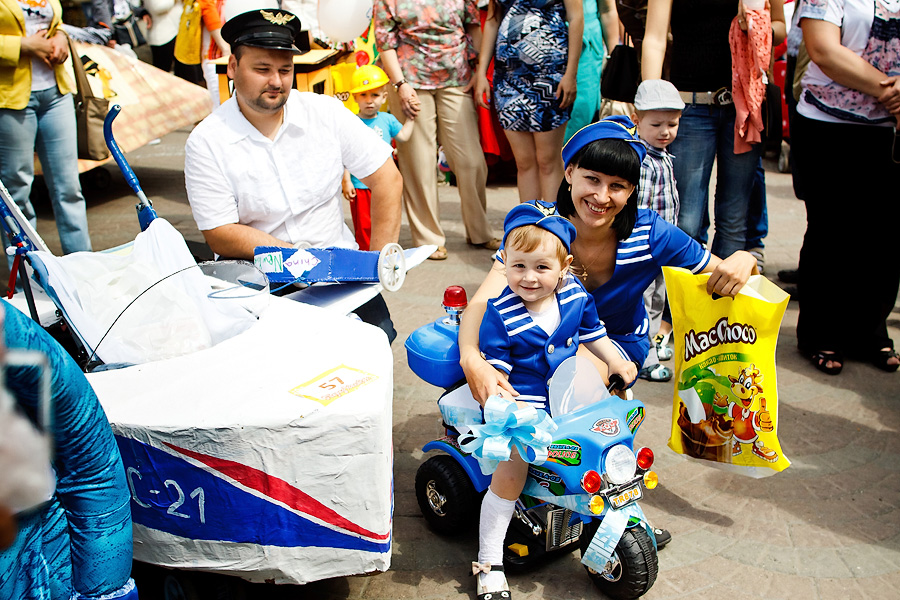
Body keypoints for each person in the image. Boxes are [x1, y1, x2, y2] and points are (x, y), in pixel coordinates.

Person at [458, 117, 758, 556]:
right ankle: (561, 498)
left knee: (582, 390)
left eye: (617, 185)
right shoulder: (541, 227)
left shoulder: (649, 230)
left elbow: (720, 267)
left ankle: (612, 506)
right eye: (591, 179)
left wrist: (746, 257)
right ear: (568, 174)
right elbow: (482, 301)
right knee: (555, 393)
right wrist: (471, 358)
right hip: (543, 341)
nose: (601, 197)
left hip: (614, 342)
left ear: (632, 191)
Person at [183, 9, 403, 342]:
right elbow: (219, 232)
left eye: (285, 70)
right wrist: (296, 258)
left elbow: (387, 179)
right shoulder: (207, 142)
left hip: (340, 274)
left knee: (374, 343)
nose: (276, 81)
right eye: (262, 69)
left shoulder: (324, 112)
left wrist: (375, 264)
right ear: (232, 67)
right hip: (262, 284)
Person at [474, 200, 637, 599]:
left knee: (608, 447)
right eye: (518, 266)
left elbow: (593, 333)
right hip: (524, 405)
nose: (529, 278)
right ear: (505, 263)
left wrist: (617, 360)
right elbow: (497, 372)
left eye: (542, 267)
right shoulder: (500, 312)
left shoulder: (575, 296)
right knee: (510, 476)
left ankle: (625, 521)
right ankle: (490, 561)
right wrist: (507, 405)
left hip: (569, 394)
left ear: (564, 269)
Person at [792, 0, 900, 375]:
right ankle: (822, 333)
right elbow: (823, 48)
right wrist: (892, 90)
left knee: (885, 237)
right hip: (829, 124)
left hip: (891, 130)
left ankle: (871, 330)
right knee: (831, 231)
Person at [642, 0, 786, 259]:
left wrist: (757, 26)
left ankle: (723, 296)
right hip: (689, 105)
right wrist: (651, 103)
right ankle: (684, 296)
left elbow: (780, 27)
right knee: (686, 220)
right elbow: (654, 38)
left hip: (744, 105)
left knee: (734, 219)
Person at [375, 0, 499, 261]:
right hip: (409, 82)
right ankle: (428, 239)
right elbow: (385, 43)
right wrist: (400, 84)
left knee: (471, 160)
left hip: (457, 78)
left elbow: (474, 27)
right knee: (418, 162)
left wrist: (480, 70)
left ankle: (480, 231)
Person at [0, 0, 93, 256]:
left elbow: (53, 22)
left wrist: (62, 35)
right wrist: (22, 45)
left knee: (69, 188)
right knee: (16, 191)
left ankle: (82, 268)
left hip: (56, 93)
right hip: (10, 99)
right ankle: (27, 278)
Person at [474, 0, 584, 204]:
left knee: (547, 160)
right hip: (508, 79)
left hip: (550, 76)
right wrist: (481, 73)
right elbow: (492, 20)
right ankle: (527, 228)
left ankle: (553, 228)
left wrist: (570, 73)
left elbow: (576, 18)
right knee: (523, 162)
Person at [630, 79, 684, 383]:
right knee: (645, 300)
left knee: (658, 299)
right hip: (645, 247)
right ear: (637, 120)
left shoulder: (664, 156)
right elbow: (639, 208)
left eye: (672, 124)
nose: (665, 131)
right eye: (657, 124)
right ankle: (645, 356)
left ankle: (653, 342)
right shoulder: (642, 161)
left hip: (662, 246)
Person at [341, 64, 415, 251]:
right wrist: (347, 180)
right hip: (361, 185)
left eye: (374, 95)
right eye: (363, 95)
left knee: (388, 220)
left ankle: (386, 256)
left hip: (386, 182)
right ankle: (368, 258)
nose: (369, 101)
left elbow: (404, 136)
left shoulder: (387, 119)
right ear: (355, 98)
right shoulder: (352, 122)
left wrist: (412, 119)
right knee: (364, 226)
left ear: (384, 97)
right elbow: (346, 154)